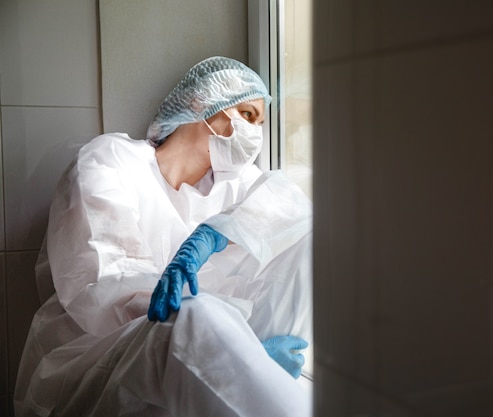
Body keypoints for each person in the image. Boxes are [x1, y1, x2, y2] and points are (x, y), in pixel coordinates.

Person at [13, 56, 313, 417]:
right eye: (248, 116)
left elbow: (296, 213)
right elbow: (103, 292)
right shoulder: (112, 161)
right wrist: (237, 345)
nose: (256, 135)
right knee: (193, 318)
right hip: (101, 359)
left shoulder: (237, 186)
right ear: (200, 102)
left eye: (261, 124)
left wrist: (217, 233)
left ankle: (254, 376)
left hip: (209, 347)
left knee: (312, 240)